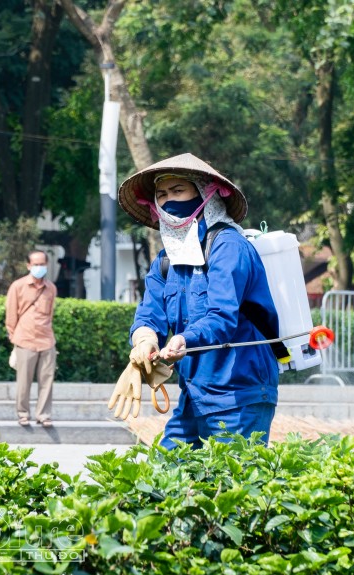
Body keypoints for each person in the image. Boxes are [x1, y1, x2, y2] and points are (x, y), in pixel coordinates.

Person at [116, 153, 281, 449]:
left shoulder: (229, 246)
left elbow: (221, 317)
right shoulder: (167, 259)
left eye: (178, 191)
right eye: (162, 194)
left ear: (205, 194)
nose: (168, 201)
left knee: (236, 488)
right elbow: (149, 314)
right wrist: (143, 341)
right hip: (195, 394)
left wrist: (183, 339)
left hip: (239, 393)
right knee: (163, 481)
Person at [5, 250, 57, 427]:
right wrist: (14, 337)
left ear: (47, 265)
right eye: (35, 264)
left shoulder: (51, 288)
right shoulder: (17, 286)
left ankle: (43, 415)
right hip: (25, 339)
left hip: (47, 340)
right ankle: (22, 413)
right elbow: (11, 315)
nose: (39, 267)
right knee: (23, 381)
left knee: (47, 380)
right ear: (28, 266)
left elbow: (50, 314)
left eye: (42, 264)